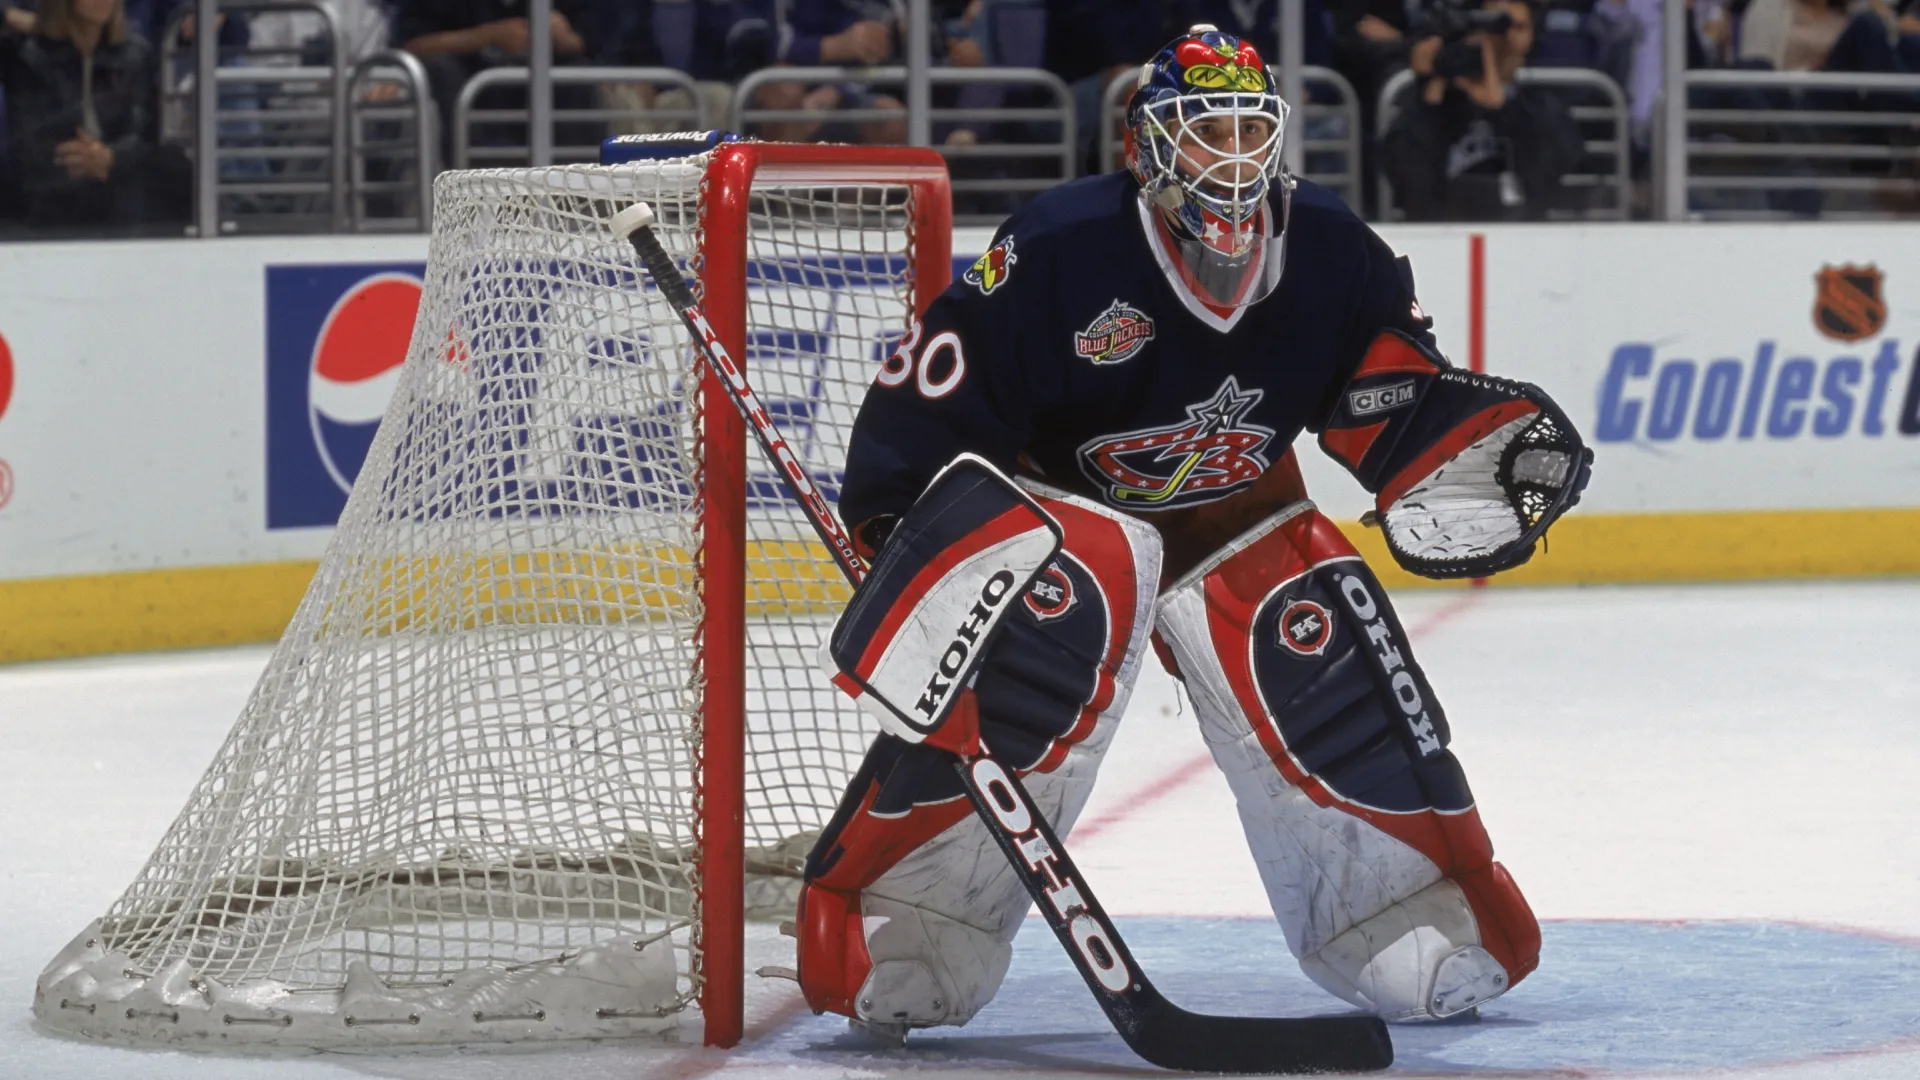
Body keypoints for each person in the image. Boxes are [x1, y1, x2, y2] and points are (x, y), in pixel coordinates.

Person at [794, 24, 1589, 1041]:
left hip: (1233, 508)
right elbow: (936, 395)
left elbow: (1384, 394)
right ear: (1147, 145)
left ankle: (1401, 914)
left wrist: (1452, 448)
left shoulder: (1331, 249)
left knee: (1312, 610)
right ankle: (913, 929)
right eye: (1204, 130)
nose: (1233, 154)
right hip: (1066, 519)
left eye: (1249, 129)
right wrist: (904, 538)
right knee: (1061, 610)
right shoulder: (1060, 246)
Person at [1379, 0, 1585, 220]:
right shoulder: (1433, 102)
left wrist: (1504, 109)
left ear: (1533, 36)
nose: (1505, 38)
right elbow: (1407, 185)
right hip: (1439, 236)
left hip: (1521, 237)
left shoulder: (1542, 106)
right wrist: (1430, 93)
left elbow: (1549, 176)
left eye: (1518, 27)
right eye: (1495, 26)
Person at [0, 0, 188, 231]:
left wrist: (111, 157)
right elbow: (29, 139)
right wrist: (7, 15)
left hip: (118, 190)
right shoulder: (24, 54)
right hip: (45, 191)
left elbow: (149, 133)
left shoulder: (137, 54)